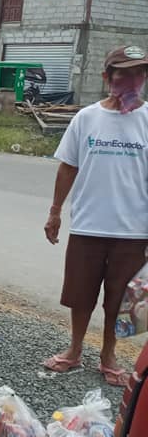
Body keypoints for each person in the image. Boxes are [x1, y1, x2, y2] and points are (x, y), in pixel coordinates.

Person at [43, 45, 148, 386]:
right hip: (88, 225)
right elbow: (68, 167)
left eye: (139, 74)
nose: (132, 80)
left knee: (121, 300)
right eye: (124, 74)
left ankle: (109, 355)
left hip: (134, 231)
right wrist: (55, 211)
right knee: (80, 293)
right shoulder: (87, 118)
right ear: (107, 77)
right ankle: (74, 349)